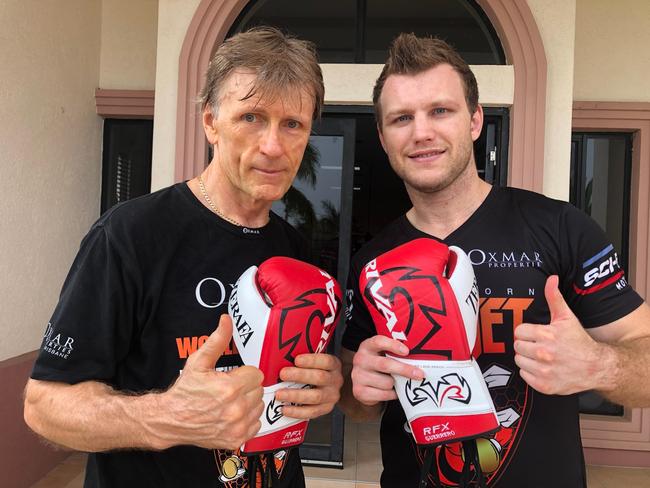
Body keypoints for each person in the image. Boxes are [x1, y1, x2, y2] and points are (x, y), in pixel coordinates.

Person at [24, 27, 343, 488]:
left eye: (293, 124)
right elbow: (45, 405)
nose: (273, 145)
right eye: (252, 117)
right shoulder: (131, 235)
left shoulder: (295, 250)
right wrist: (168, 415)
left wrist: (323, 386)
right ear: (211, 122)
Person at [338, 33, 650, 488]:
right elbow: (356, 399)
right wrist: (359, 387)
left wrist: (598, 364)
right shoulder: (372, 259)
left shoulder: (559, 227)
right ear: (384, 138)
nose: (422, 132)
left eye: (440, 110)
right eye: (402, 118)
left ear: (475, 120)